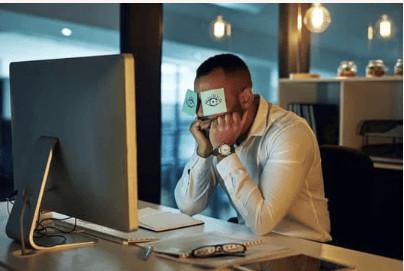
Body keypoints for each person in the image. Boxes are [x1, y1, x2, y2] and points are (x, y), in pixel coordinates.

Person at [174, 54, 331, 242]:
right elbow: (188, 206)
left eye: (211, 101)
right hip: (249, 243)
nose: (200, 113)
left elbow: (262, 222)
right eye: (198, 101)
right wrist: (203, 152)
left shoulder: (290, 132)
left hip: (303, 249)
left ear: (246, 98)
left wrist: (224, 151)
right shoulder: (216, 133)